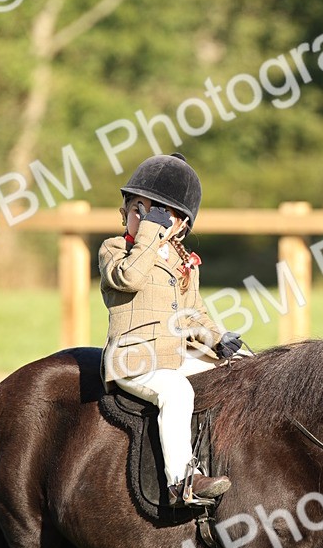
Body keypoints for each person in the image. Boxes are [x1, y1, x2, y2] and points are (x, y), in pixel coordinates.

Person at [99, 152, 241, 507]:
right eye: (141, 210)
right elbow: (129, 278)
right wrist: (149, 232)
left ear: (181, 226)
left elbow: (193, 315)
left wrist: (217, 339)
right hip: (134, 359)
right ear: (125, 211)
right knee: (175, 392)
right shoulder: (115, 250)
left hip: (174, 353)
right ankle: (183, 481)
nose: (151, 221)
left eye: (164, 215)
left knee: (245, 370)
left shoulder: (183, 263)